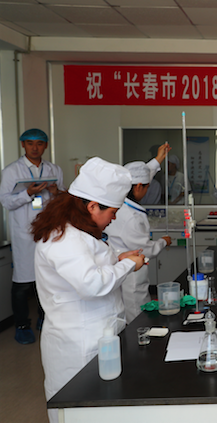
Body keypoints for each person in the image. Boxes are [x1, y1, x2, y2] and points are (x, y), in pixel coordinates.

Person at [32, 157, 145, 423]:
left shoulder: (78, 229)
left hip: (99, 337)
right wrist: (129, 264)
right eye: (112, 212)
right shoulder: (62, 237)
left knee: (102, 407)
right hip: (78, 344)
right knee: (79, 408)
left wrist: (117, 258)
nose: (114, 218)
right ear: (92, 206)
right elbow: (91, 283)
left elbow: (90, 261)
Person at [0, 128, 63, 344]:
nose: (35, 148)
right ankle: (22, 325)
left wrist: (56, 193)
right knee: (23, 282)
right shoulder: (12, 171)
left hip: (48, 232)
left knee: (48, 278)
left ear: (45, 146)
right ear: (23, 145)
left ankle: (44, 318)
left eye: (39, 143)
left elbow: (63, 200)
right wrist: (28, 193)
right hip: (24, 234)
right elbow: (6, 201)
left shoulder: (54, 169)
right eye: (30, 143)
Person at [106, 143, 172, 322]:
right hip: (131, 271)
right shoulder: (131, 216)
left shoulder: (117, 200)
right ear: (138, 187)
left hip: (116, 262)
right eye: (146, 187)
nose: (147, 190)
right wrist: (164, 241)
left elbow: (142, 176)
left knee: (122, 311)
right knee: (136, 313)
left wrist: (158, 159)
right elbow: (145, 249)